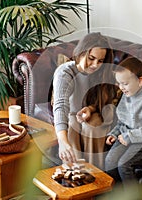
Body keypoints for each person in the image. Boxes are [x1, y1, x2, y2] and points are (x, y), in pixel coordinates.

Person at [52, 32, 120, 169]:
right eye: (91, 58)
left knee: (92, 126)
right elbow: (60, 106)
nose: (95, 65)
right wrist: (62, 142)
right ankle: (75, 172)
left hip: (100, 112)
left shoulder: (102, 72)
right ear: (81, 52)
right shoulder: (65, 73)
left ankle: (97, 175)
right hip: (73, 114)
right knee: (73, 124)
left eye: (100, 61)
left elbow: (105, 100)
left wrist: (91, 108)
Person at [104, 56, 142, 187]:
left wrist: (130, 136)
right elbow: (122, 121)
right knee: (110, 161)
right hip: (126, 137)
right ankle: (117, 193)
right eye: (119, 83)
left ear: (140, 81)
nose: (121, 87)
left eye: (125, 83)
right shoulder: (126, 95)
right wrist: (114, 134)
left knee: (124, 164)